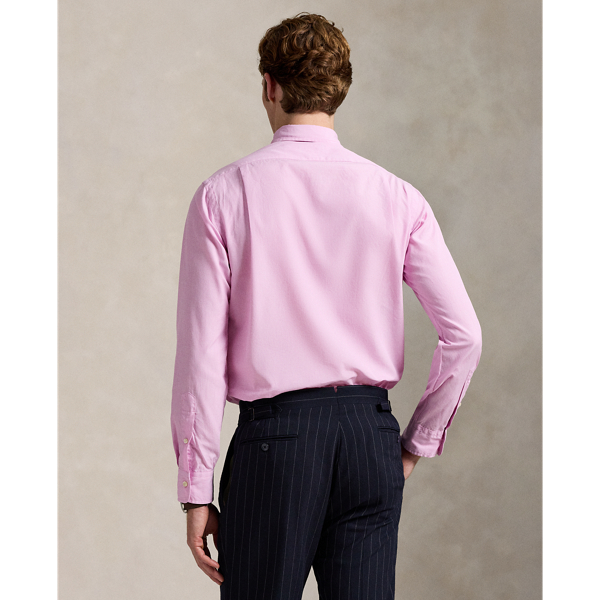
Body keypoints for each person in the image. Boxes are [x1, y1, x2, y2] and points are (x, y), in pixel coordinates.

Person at [171, 12, 482, 600]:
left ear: (270, 85)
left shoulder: (223, 195)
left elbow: (201, 355)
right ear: (340, 89)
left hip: (276, 443)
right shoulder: (398, 197)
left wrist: (196, 488)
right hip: (370, 439)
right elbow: (464, 335)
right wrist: (413, 443)